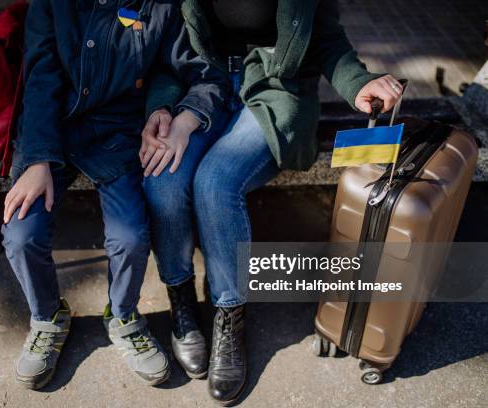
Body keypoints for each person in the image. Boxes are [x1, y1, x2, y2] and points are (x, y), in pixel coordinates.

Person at [141, 0, 404, 404]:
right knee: (164, 179)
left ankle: (229, 315)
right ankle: (182, 304)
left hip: (272, 92)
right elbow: (165, 50)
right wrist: (159, 107)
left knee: (215, 182)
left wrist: (358, 83)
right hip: (199, 87)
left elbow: (326, 40)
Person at [1, 0, 229, 390]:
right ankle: (47, 317)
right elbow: (41, 79)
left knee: (130, 236)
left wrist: (174, 111)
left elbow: (197, 72)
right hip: (51, 130)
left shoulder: (161, 8)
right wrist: (36, 159)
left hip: (117, 135)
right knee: (22, 232)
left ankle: (123, 316)